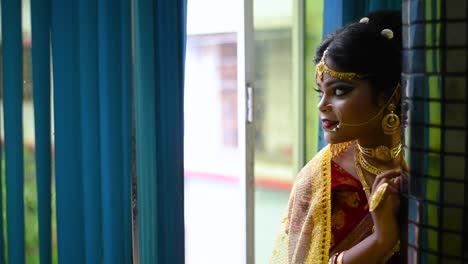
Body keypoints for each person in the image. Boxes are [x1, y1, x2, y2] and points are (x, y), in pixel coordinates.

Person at [270, 10, 406, 264]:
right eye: (320, 92)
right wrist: (381, 240)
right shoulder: (320, 183)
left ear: (390, 94)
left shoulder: (431, 163)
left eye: (340, 91)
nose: (322, 105)